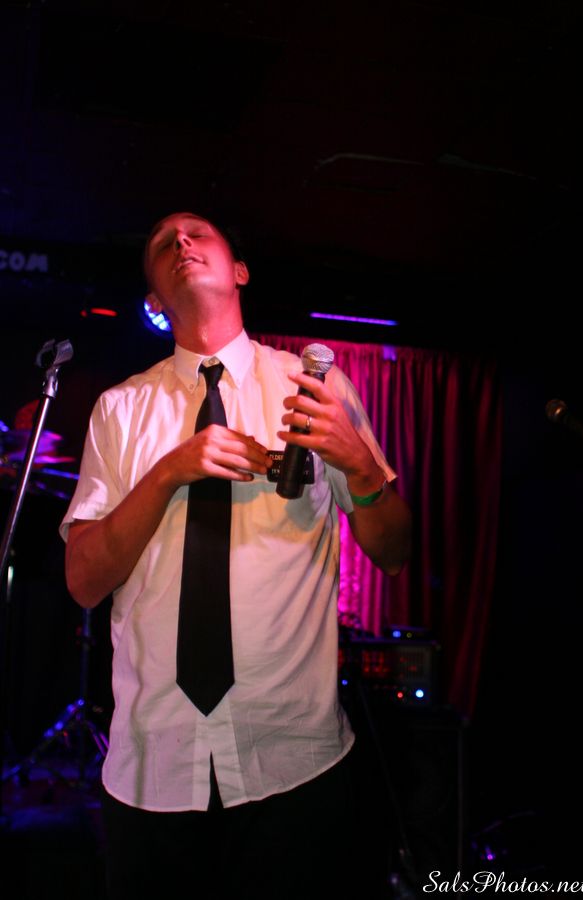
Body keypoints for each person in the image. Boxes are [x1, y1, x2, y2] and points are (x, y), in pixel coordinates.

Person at [61, 211, 411, 899]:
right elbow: (83, 582)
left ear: (240, 270)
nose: (181, 242)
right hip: (153, 768)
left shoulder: (315, 388)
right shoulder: (120, 410)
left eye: (198, 233)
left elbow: (394, 552)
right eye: (163, 243)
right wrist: (169, 471)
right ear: (154, 299)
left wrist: (363, 469)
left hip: (296, 761)